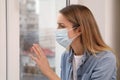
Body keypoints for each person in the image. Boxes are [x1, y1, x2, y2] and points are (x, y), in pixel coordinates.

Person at [29, 5, 117, 80]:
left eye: (62, 26)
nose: (57, 30)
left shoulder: (105, 59)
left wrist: (48, 72)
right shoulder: (66, 56)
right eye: (58, 25)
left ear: (79, 30)